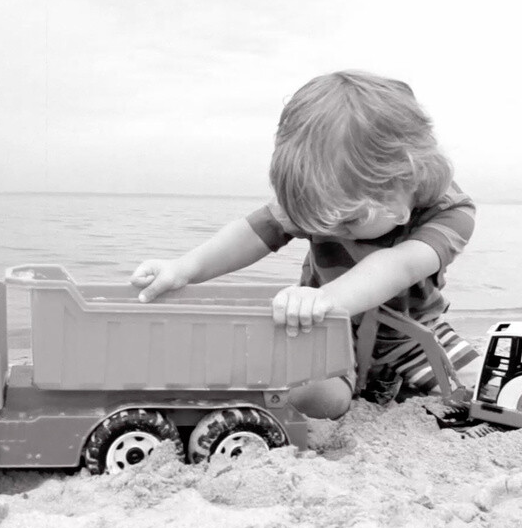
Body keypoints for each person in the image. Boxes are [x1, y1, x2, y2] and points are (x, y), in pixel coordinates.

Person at [130, 70, 478, 419]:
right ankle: (332, 389)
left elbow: (398, 266)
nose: (335, 229)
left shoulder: (452, 213)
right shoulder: (324, 198)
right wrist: (184, 269)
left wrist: (327, 298)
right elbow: (253, 234)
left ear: (412, 175)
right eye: (326, 222)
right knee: (312, 392)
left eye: (352, 220)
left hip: (414, 337)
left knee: (490, 386)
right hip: (327, 329)